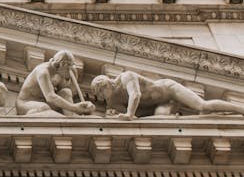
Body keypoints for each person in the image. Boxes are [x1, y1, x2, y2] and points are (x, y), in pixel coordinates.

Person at [91, 71, 244, 118]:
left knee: (203, 106)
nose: (104, 99)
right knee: (160, 119)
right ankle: (222, 115)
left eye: (102, 94)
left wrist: (129, 114)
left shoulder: (126, 77)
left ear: (105, 85)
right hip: (162, 104)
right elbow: (127, 120)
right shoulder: (113, 101)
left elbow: (135, 95)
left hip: (169, 90)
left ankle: (240, 110)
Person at [16, 50, 95, 117]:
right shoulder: (43, 72)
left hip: (48, 103)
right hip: (26, 103)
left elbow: (69, 92)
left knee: (66, 92)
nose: (69, 73)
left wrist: (83, 107)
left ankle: (72, 120)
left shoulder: (60, 71)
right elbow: (50, 97)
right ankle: (66, 122)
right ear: (61, 65)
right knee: (44, 108)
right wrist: (75, 108)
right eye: (68, 70)